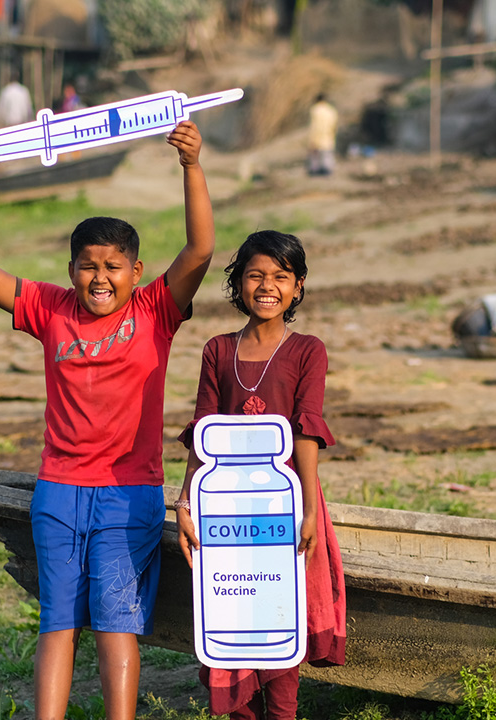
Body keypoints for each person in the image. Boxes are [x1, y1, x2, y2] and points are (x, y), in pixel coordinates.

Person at [0, 119, 216, 720]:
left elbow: (200, 249)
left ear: (137, 271)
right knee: (59, 619)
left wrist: (191, 165)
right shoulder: (49, 307)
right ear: (71, 269)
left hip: (131, 494)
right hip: (60, 491)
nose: (101, 278)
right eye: (88, 266)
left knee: (116, 621)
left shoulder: (156, 311)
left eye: (114, 266)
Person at [174, 230, 347, 720]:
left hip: (283, 506)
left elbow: (306, 435)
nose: (267, 285)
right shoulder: (217, 349)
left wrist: (310, 511)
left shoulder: (308, 350)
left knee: (278, 615)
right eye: (256, 275)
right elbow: (202, 432)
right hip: (226, 508)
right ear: (238, 284)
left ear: (298, 286)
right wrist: (186, 502)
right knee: (230, 611)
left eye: (280, 276)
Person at [307, 94, 338, 176]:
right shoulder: (331, 111)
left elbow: (313, 125)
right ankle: (327, 171)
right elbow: (334, 125)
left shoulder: (314, 110)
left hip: (317, 135)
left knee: (315, 155)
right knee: (327, 154)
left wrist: (311, 137)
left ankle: (314, 171)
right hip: (328, 135)